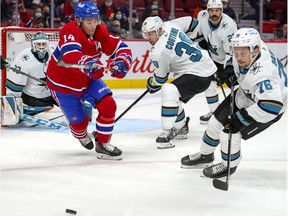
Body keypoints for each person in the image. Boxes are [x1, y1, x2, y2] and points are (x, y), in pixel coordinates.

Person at [181, 28, 287, 178]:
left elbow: (271, 106)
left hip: (268, 107)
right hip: (246, 93)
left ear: (255, 50)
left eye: (242, 54)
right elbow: (235, 54)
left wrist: (242, 118)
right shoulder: (253, 46)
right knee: (215, 122)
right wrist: (230, 68)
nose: (239, 57)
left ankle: (228, 165)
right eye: (236, 53)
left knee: (229, 133)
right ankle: (205, 156)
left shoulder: (264, 74)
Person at [46, 2, 132, 160]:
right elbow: (70, 55)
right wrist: (89, 64)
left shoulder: (100, 32)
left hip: (87, 79)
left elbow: (121, 47)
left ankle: (103, 144)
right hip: (63, 84)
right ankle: (80, 134)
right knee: (80, 122)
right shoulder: (70, 30)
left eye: (95, 20)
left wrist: (122, 62)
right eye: (88, 21)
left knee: (108, 104)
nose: (93, 25)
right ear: (79, 21)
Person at [141, 16, 217, 149]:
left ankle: (167, 131)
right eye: (146, 34)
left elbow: (160, 80)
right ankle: (181, 127)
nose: (148, 38)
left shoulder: (158, 52)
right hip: (206, 65)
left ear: (159, 30)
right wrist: (198, 38)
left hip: (198, 74)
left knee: (168, 90)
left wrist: (151, 84)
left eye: (151, 34)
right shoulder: (171, 25)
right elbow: (193, 23)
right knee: (175, 96)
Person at [192, 0, 237, 124]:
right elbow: (200, 33)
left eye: (217, 10)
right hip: (213, 58)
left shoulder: (229, 26)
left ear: (221, 11)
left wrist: (227, 69)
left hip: (230, 59)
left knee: (235, 86)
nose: (214, 13)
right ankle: (214, 113)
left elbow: (231, 51)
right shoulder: (201, 16)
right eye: (211, 10)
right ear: (207, 11)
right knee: (209, 85)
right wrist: (203, 44)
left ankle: (240, 113)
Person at [6, 32, 55, 107]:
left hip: (52, 95)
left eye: (44, 44)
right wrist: (11, 105)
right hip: (32, 97)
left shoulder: (53, 52)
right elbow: (13, 89)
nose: (41, 47)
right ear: (33, 44)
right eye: (38, 44)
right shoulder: (23, 59)